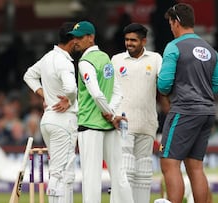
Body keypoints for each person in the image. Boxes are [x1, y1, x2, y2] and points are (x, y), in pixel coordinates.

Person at [157, 3, 218, 203]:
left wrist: (179, 89)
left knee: (169, 163)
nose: (170, 27)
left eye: (170, 22)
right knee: (195, 166)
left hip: (184, 110)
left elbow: (164, 84)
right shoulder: (210, 50)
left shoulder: (174, 46)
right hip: (207, 111)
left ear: (177, 22)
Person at [68, 21, 134, 203]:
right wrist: (111, 112)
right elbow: (117, 92)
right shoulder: (105, 58)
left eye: (80, 37)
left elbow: (96, 93)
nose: (76, 41)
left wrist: (110, 114)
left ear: (91, 37)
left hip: (90, 124)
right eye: (74, 38)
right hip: (108, 126)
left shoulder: (85, 62)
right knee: (119, 174)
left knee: (91, 177)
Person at [23, 22, 78, 203]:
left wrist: (44, 95)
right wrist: (68, 99)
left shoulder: (48, 57)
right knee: (63, 173)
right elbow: (71, 88)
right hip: (64, 120)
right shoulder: (64, 62)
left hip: (48, 120)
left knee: (56, 170)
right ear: (71, 40)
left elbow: (29, 75)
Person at [111, 23, 163, 203]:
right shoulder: (116, 60)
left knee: (144, 169)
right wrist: (111, 115)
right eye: (126, 40)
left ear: (144, 41)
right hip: (124, 121)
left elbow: (165, 85)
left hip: (148, 122)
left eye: (133, 40)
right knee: (125, 167)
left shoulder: (155, 59)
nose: (129, 43)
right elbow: (108, 89)